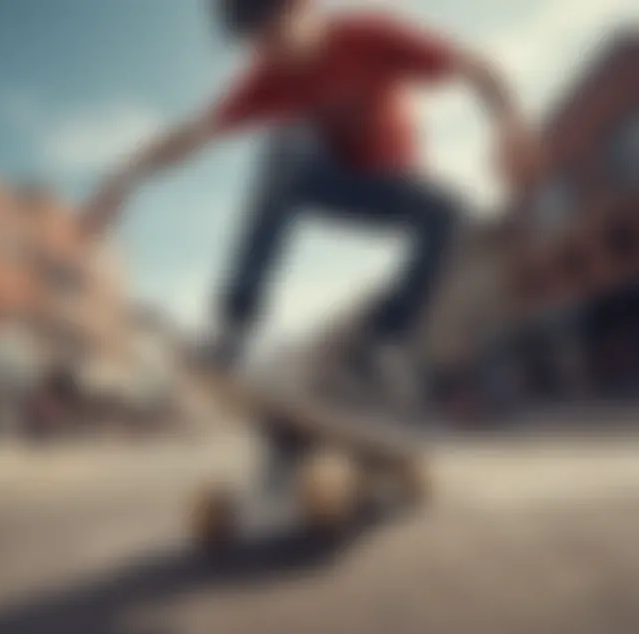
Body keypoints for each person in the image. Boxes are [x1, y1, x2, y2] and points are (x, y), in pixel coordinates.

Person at [83, 0, 540, 387]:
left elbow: (475, 66)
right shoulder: (265, 80)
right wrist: (124, 174)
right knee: (283, 141)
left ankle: (383, 341)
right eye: (255, 42)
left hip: (389, 186)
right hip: (322, 183)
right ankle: (236, 325)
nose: (270, 52)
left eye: (275, 32)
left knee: (450, 212)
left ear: (304, 7)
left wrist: (509, 121)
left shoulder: (369, 36)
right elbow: (192, 135)